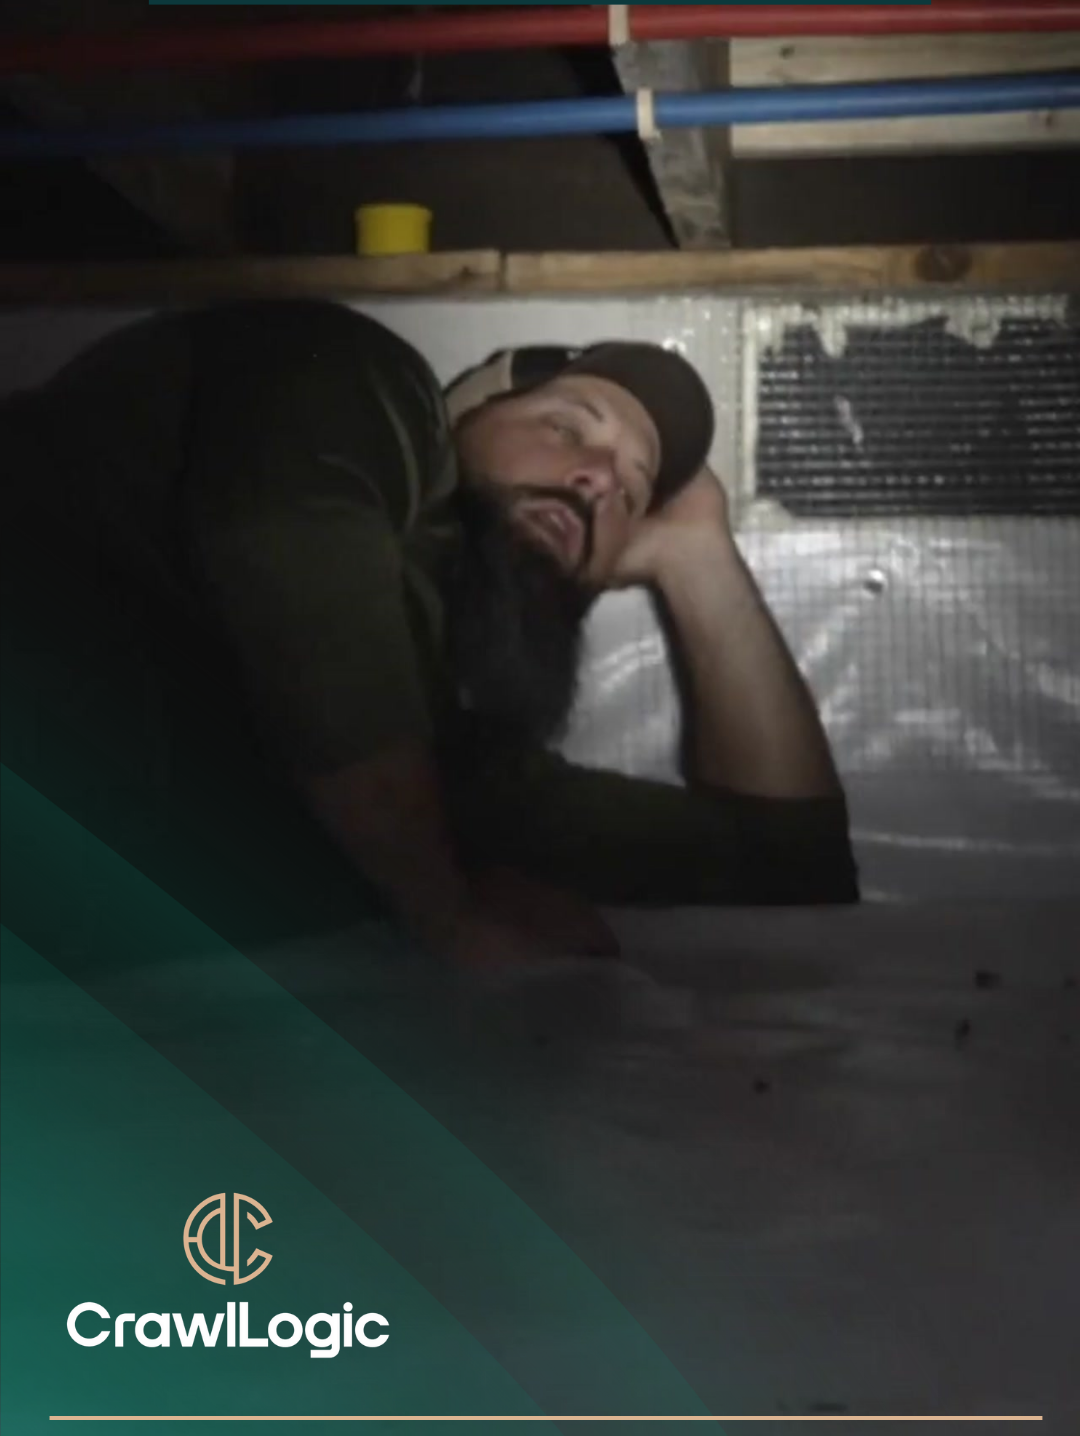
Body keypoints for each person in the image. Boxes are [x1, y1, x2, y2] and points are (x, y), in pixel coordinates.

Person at [0, 300, 857, 969]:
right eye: (565, 425)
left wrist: (698, 551)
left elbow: (792, 869)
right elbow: (283, 533)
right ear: (465, 410)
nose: (599, 477)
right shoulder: (365, 377)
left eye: (630, 494)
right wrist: (444, 914)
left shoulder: (450, 765)